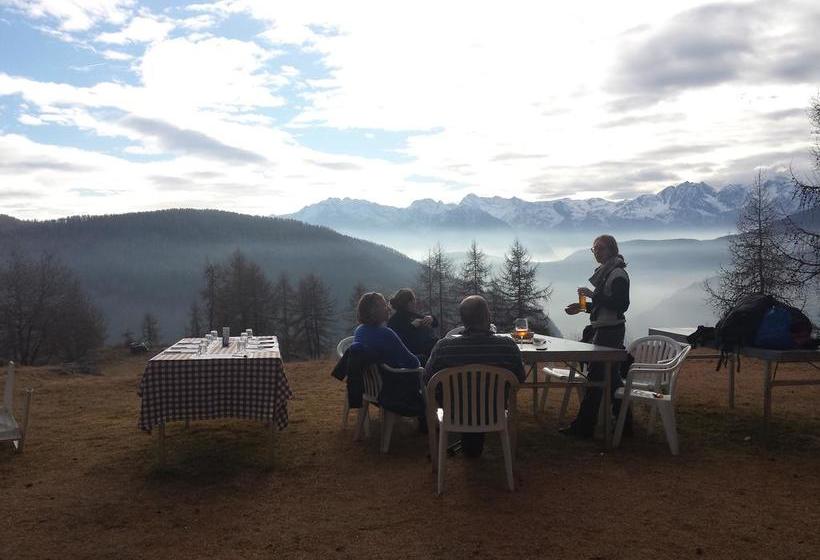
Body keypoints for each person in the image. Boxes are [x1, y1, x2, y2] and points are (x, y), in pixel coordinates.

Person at [425, 295, 526, 457]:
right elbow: (519, 378)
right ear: (488, 317)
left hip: (454, 414)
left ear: (463, 320)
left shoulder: (443, 347)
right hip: (495, 413)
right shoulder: (507, 346)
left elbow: (428, 379)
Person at [561, 234, 630, 438]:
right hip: (606, 328)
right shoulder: (607, 272)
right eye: (594, 249)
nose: (597, 253)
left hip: (610, 332)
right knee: (612, 378)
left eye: (600, 248)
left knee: (596, 377)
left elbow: (621, 305)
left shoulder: (617, 274)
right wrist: (582, 308)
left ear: (611, 250)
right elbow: (606, 304)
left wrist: (592, 295)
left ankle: (584, 427)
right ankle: (624, 424)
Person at [353, 292, 425, 424]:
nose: (388, 308)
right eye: (383, 305)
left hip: (370, 386)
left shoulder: (360, 330)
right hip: (390, 388)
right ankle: (426, 418)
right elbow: (413, 363)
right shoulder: (385, 333)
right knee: (424, 360)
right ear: (374, 311)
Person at [386, 288, 439, 363]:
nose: (415, 303)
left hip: (424, 351)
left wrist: (431, 318)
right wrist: (412, 327)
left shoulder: (411, 316)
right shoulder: (394, 321)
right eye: (414, 300)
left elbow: (435, 323)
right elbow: (398, 340)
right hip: (413, 356)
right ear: (409, 302)